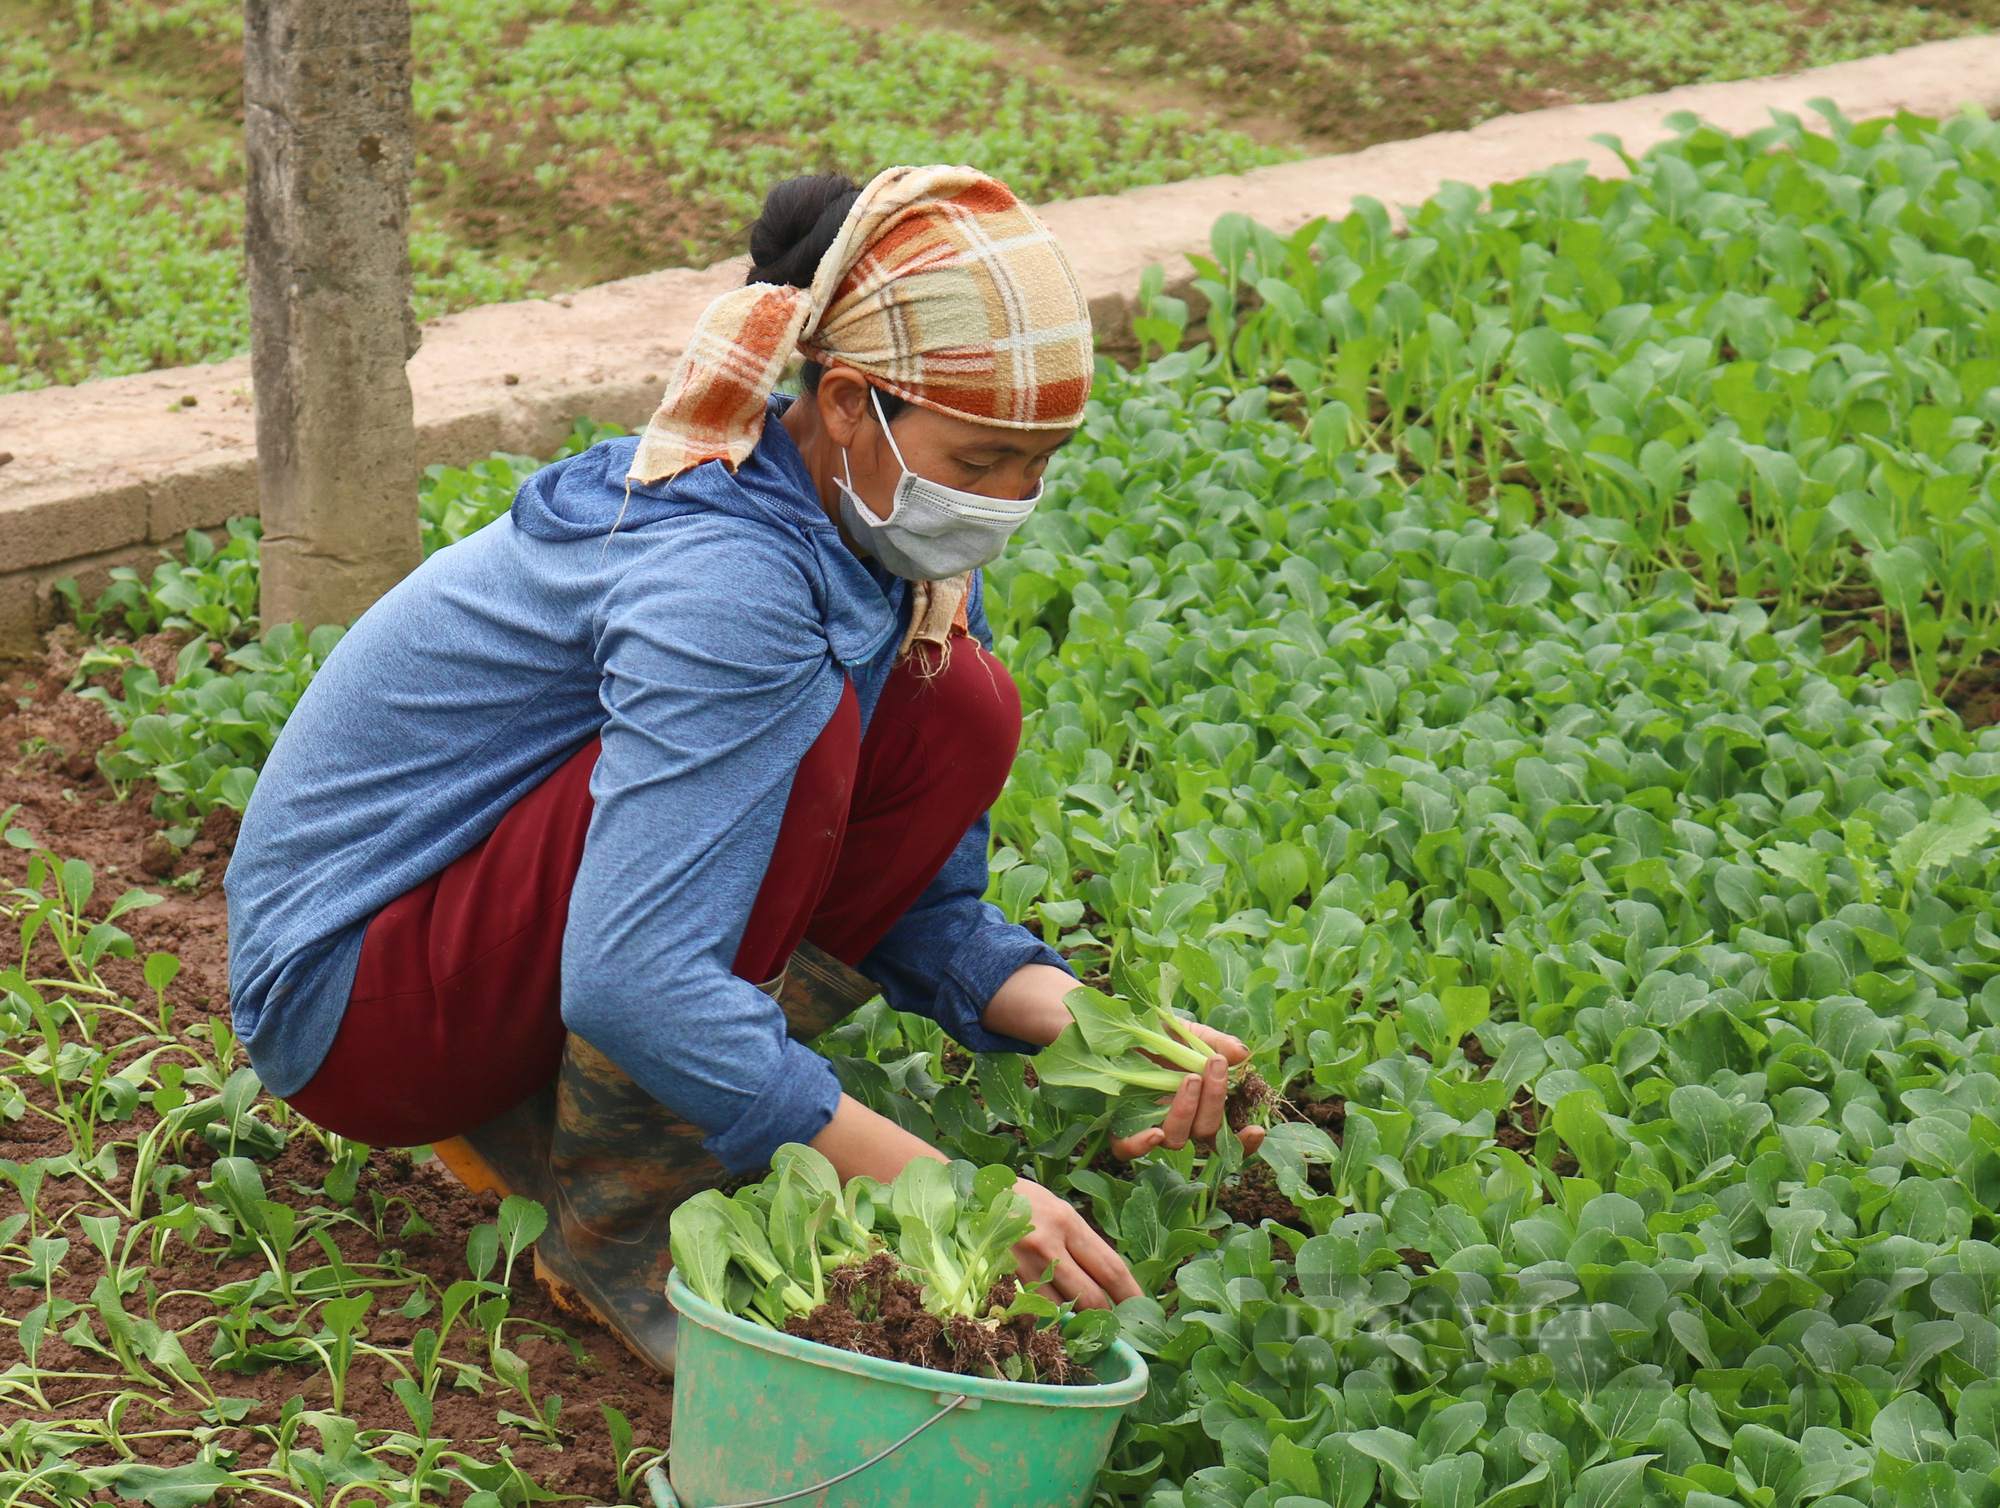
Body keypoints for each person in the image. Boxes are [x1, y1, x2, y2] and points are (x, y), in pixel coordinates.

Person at [225, 165, 1262, 1375]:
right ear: (843, 403)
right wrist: (953, 1188)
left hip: (472, 941)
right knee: (809, 732)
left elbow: (912, 907)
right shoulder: (733, 586)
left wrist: (1097, 1027)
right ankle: (624, 1221)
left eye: (1037, 463)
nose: (1009, 501)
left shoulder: (878, 540)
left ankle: (543, 1119)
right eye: (979, 462)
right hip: (359, 1000)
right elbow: (634, 982)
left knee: (956, 703)